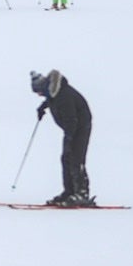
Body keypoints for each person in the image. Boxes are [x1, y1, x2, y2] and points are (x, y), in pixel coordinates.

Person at [30, 70, 93, 206]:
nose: (39, 95)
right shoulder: (54, 92)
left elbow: (72, 119)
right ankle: (69, 191)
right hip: (71, 128)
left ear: (45, 87)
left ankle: (82, 194)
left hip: (80, 127)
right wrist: (43, 107)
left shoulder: (64, 96)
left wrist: (70, 138)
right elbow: (51, 99)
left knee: (76, 158)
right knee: (66, 158)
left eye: (39, 92)